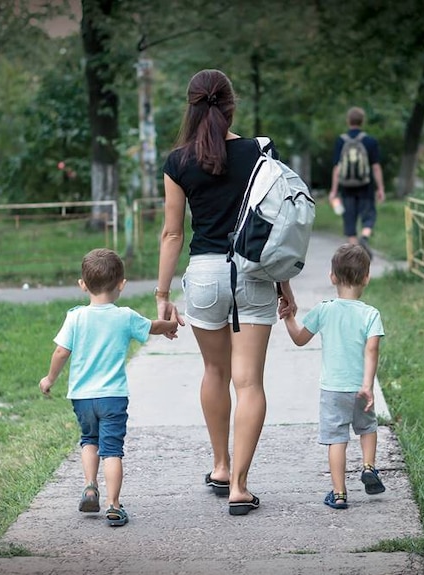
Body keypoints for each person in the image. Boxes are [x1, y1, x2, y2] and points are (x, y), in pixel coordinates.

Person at [155, 69, 297, 516]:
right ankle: (239, 487)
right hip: (253, 274)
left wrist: (162, 294)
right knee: (249, 381)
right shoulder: (260, 152)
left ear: (191, 106)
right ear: (232, 105)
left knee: (214, 373)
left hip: (204, 276)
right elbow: (278, 225)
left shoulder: (177, 162)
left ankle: (220, 465)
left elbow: (172, 235)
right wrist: (284, 284)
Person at [38, 248, 179, 527]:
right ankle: (114, 506)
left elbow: (60, 352)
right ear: (121, 285)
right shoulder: (125, 316)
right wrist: (171, 325)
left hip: (82, 397)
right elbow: (153, 326)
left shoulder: (76, 317)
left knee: (89, 441)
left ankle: (90, 486)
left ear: (82, 285)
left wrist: (50, 379)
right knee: (112, 450)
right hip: (113, 397)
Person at [279, 243, 386, 510]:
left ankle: (339, 494)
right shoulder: (370, 314)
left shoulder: (324, 309)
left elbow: (300, 339)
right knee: (367, 427)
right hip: (360, 388)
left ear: (332, 277)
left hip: (333, 390)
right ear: (366, 278)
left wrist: (289, 317)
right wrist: (368, 385)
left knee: (337, 439)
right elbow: (372, 349)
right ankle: (369, 466)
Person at [328, 106, 386, 257]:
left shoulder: (341, 141)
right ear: (362, 121)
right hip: (366, 187)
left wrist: (334, 191)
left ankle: (356, 257)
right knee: (369, 216)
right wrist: (380, 188)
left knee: (349, 221)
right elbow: (376, 167)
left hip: (346, 188)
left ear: (348, 121)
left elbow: (337, 168)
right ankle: (365, 237)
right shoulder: (370, 141)